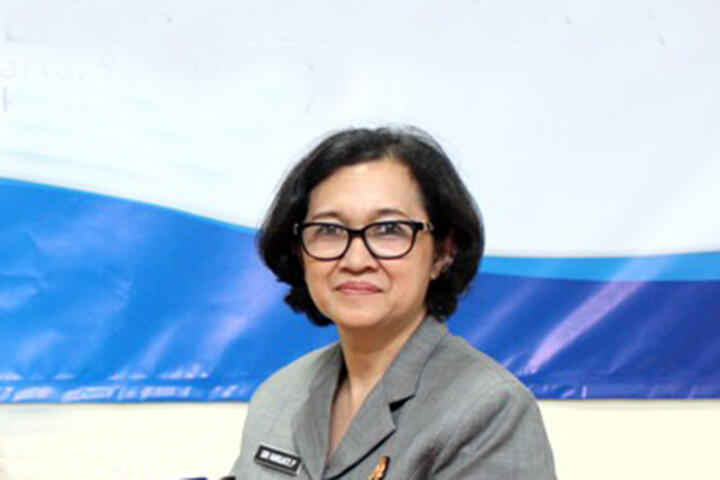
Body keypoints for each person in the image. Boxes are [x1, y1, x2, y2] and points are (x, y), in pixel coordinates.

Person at [230, 126, 556, 479]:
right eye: (329, 229)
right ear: (299, 249)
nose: (356, 260)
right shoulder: (279, 395)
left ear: (443, 252)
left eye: (388, 229)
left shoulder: (489, 410)